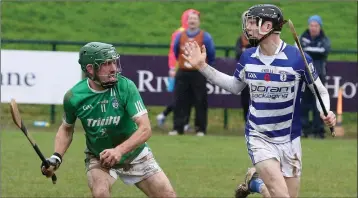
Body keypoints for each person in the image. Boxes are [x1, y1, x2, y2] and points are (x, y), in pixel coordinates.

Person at [181, 4, 336, 198]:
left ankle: (256, 183)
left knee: (281, 194)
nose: (248, 28)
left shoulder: (297, 58)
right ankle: (261, 181)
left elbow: (320, 91)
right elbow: (234, 86)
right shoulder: (248, 57)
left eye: (253, 23)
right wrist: (202, 66)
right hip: (259, 137)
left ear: (268, 26)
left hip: (290, 140)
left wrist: (326, 111)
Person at [40, 42, 177, 198]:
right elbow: (66, 128)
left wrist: (119, 151)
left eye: (113, 62)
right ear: (90, 69)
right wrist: (56, 157)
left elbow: (145, 129)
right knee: (101, 194)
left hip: (135, 154)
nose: (113, 68)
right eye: (106, 64)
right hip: (99, 158)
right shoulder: (74, 97)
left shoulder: (126, 86)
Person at [169, 9, 216, 136]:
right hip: (183, 71)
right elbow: (175, 50)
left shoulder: (205, 36)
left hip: (198, 73)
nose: (192, 21)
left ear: (199, 22)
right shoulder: (180, 35)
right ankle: (178, 128)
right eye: (190, 19)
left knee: (200, 101)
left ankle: (200, 129)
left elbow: (211, 54)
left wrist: (207, 69)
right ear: (187, 21)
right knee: (179, 100)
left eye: (195, 19)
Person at [156, 9, 194, 133]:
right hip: (179, 69)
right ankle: (166, 116)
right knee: (180, 97)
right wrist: (172, 67)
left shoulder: (192, 33)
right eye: (191, 17)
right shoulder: (180, 33)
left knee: (188, 97)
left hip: (187, 68)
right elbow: (173, 52)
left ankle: (184, 122)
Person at [299, 15, 331, 139]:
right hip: (305, 76)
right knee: (304, 105)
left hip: (319, 77)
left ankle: (318, 131)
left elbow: (324, 51)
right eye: (311, 25)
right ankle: (304, 130)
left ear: (319, 26)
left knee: (319, 105)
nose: (313, 28)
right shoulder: (303, 37)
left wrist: (308, 50)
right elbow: (301, 52)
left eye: (316, 25)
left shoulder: (324, 39)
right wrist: (311, 50)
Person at [235, 31, 254, 123]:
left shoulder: (259, 39)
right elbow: (238, 54)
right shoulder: (241, 39)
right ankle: (247, 122)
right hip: (245, 74)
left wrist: (245, 51)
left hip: (258, 74)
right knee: (245, 101)